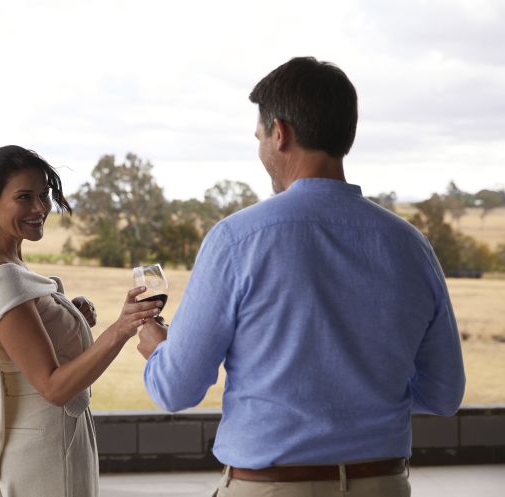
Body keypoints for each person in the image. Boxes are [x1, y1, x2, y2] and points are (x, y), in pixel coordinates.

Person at [137, 57, 465, 497]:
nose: (261, 151)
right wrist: (365, 387)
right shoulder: (411, 245)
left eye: (259, 137)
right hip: (385, 483)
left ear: (280, 132)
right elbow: (444, 396)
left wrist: (159, 351)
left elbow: (176, 389)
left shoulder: (236, 239)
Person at [0, 145, 162, 497]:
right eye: (24, 197)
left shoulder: (6, 268)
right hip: (43, 449)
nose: (40, 208)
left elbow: (23, 341)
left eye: (44, 195)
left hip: (45, 439)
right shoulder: (3, 278)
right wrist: (122, 327)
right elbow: (54, 387)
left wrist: (69, 313)